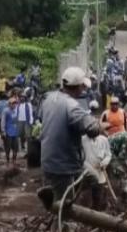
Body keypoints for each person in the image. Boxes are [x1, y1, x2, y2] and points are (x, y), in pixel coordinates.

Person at [40, 66, 101, 196]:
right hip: (64, 164)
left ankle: (81, 206)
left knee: (93, 179)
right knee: (64, 203)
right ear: (79, 86)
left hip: (48, 159)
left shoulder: (48, 99)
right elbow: (92, 130)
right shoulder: (72, 106)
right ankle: (66, 211)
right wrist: (98, 124)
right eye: (82, 86)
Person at [81, 126, 112, 210]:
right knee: (86, 192)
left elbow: (108, 154)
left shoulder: (103, 140)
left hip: (100, 171)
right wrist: (90, 168)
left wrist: (104, 163)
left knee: (98, 193)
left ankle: (97, 210)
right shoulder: (82, 140)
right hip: (87, 171)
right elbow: (81, 158)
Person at [2, 96, 20, 165]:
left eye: (15, 103)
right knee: (8, 147)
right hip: (8, 132)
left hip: (15, 132)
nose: (14, 105)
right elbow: (3, 121)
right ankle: (7, 160)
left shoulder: (16, 110)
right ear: (9, 104)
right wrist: (3, 131)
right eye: (12, 103)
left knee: (15, 147)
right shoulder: (6, 111)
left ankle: (14, 160)